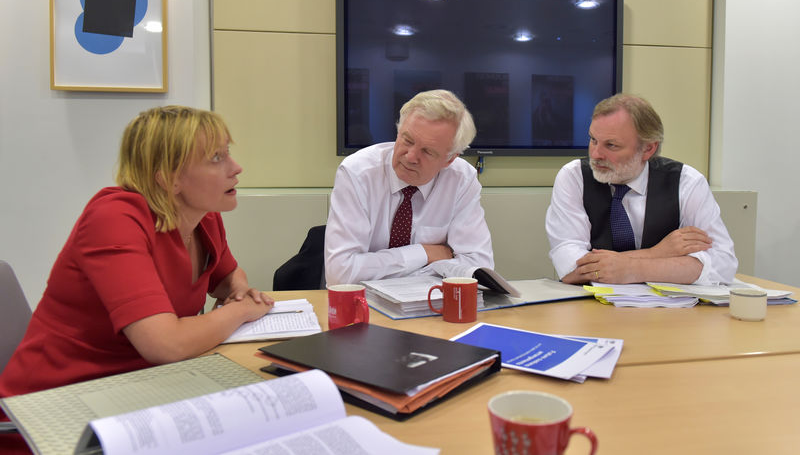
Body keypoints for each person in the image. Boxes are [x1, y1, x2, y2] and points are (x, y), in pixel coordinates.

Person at [0, 106, 274, 402]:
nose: (236, 168)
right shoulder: (114, 218)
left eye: (227, 153)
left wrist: (239, 290)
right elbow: (165, 344)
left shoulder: (202, 215)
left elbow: (227, 276)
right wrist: (241, 310)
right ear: (169, 178)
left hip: (142, 391)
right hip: (55, 409)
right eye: (216, 158)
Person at [545, 93, 737, 285]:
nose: (595, 154)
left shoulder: (686, 182)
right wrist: (659, 253)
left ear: (648, 149)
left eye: (611, 145)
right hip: (589, 308)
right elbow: (571, 267)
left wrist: (634, 269)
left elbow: (723, 264)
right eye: (593, 140)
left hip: (667, 311)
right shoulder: (574, 177)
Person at [325, 89, 494, 285]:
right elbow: (340, 273)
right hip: (362, 304)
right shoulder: (358, 173)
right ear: (398, 131)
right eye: (407, 140)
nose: (411, 157)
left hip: (431, 305)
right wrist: (424, 253)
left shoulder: (461, 180)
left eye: (427, 151)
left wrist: (393, 271)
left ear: (449, 160)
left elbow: (479, 268)